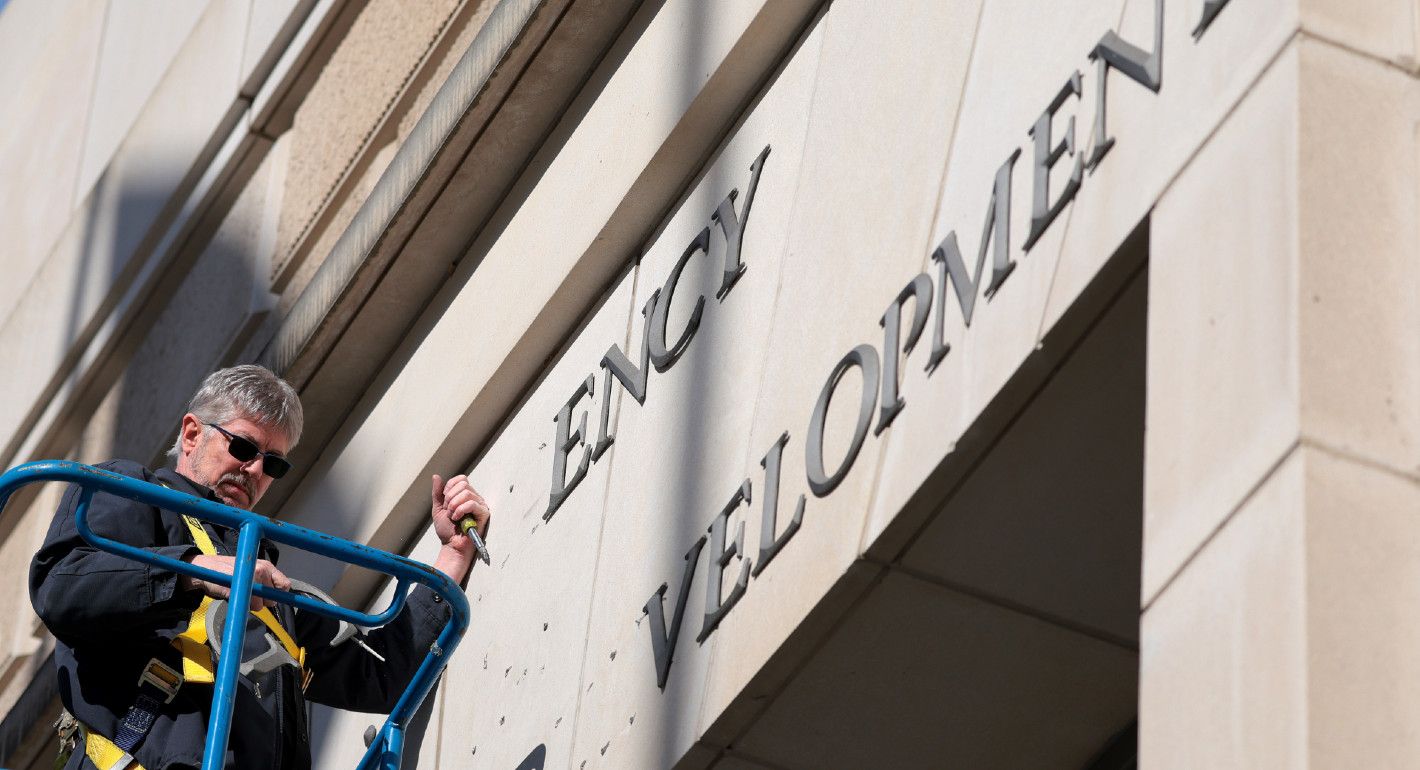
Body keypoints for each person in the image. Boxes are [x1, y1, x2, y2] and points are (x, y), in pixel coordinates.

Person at [29, 365, 491, 770]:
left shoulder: (272, 593)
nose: (254, 470)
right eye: (243, 447)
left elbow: (382, 677)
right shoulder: (132, 493)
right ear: (192, 434)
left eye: (273, 464)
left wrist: (452, 555)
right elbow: (62, 587)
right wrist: (194, 571)